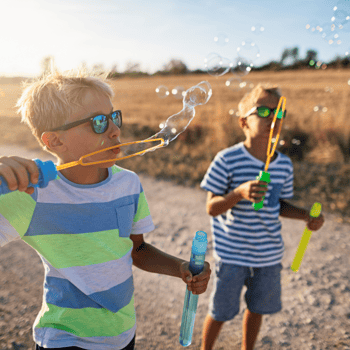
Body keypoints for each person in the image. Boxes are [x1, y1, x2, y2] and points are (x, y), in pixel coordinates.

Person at [0, 70, 211, 350]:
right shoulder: (31, 192)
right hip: (66, 339)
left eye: (114, 117)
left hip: (121, 334)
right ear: (55, 141)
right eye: (98, 122)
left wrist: (181, 267)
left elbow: (137, 250)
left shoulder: (128, 184)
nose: (115, 130)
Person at [199, 83, 324, 350]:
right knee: (221, 312)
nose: (273, 118)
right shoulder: (227, 160)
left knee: (257, 309)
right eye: (264, 111)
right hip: (232, 255)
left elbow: (277, 205)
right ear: (244, 122)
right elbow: (212, 207)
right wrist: (238, 194)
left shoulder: (283, 165)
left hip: (268, 256)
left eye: (279, 113)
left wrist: (305, 216)